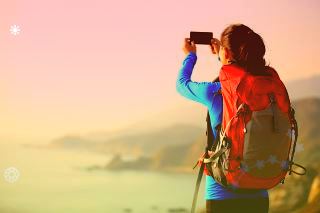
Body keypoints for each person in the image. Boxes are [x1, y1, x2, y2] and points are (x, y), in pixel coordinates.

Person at [176, 23, 270, 213]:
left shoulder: (215, 92)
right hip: (258, 194)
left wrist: (190, 55)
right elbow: (240, 78)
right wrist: (223, 54)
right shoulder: (266, 90)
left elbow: (182, 84)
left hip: (221, 195)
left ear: (226, 54)